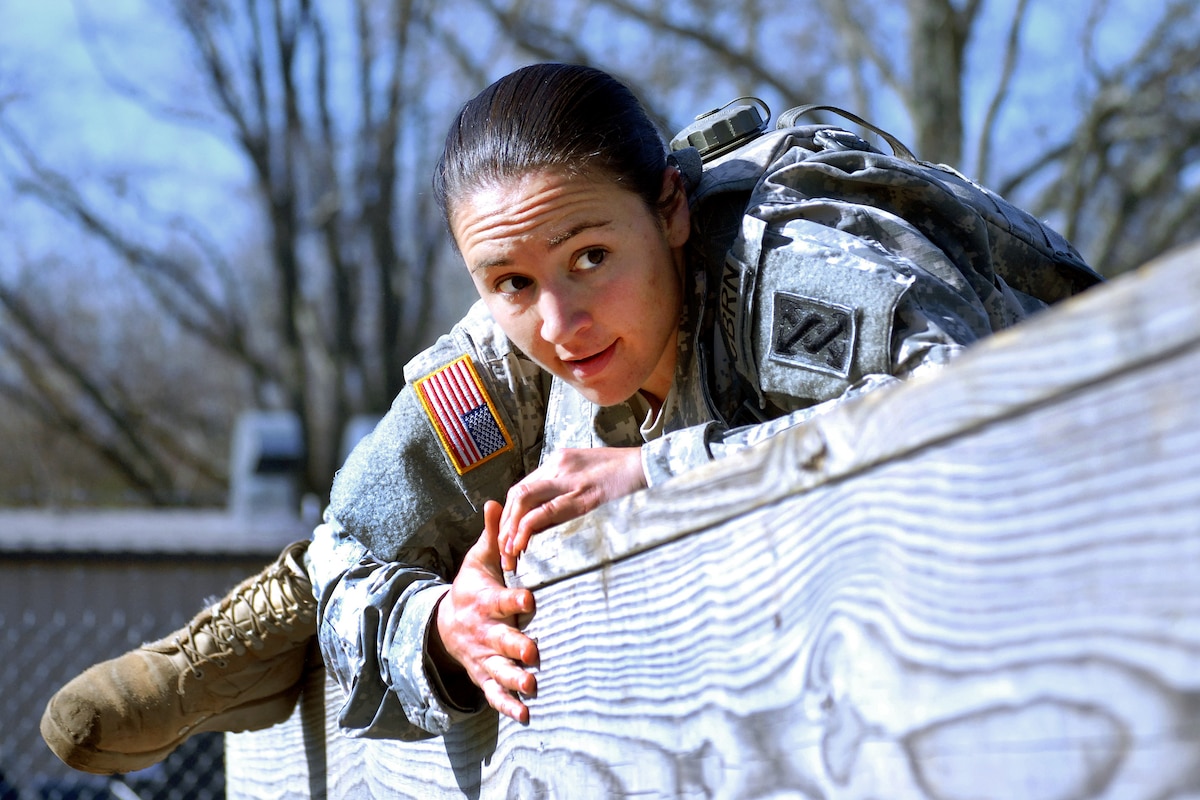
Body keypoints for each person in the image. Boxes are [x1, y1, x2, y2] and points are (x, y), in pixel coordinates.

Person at [41, 62, 1099, 771]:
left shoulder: (785, 276)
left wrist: (668, 474)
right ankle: (230, 650)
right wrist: (440, 631)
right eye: (507, 279)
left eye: (592, 256)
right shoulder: (504, 353)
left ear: (671, 210)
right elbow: (350, 550)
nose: (559, 320)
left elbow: (979, 419)